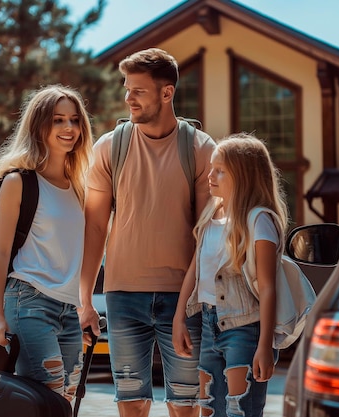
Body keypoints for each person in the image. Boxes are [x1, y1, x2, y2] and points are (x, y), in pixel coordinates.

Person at [79, 47, 216, 417]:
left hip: (183, 300)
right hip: (123, 297)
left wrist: (189, 303)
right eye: (127, 89)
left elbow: (206, 235)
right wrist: (85, 298)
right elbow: (94, 225)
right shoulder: (110, 147)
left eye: (138, 91)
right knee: (132, 403)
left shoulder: (201, 150)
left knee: (186, 405)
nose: (128, 98)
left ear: (166, 92)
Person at [0, 84, 93, 402]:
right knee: (49, 395)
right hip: (28, 302)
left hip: (68, 310)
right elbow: (0, 251)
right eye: (58, 120)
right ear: (39, 124)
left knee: (66, 398)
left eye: (74, 120)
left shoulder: (80, 188)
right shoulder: (19, 182)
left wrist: (84, 307)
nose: (68, 128)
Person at [172, 133, 289, 417]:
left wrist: (264, 345)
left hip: (245, 330)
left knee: (240, 410)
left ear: (244, 176)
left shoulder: (259, 220)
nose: (210, 175)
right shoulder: (211, 217)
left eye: (220, 171)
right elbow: (194, 270)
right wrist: (179, 318)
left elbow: (269, 288)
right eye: (212, 168)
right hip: (208, 326)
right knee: (209, 409)